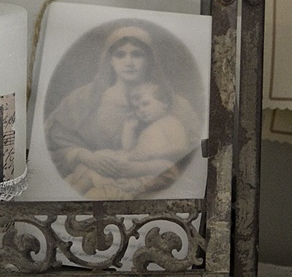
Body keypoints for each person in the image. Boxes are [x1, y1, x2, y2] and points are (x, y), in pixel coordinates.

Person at [45, 24, 199, 197]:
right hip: (94, 178)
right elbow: (52, 145)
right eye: (120, 55)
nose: (129, 63)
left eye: (137, 54)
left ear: (148, 59)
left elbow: (191, 158)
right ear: (110, 60)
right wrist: (86, 156)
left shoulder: (175, 104)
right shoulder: (83, 100)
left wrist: (142, 166)